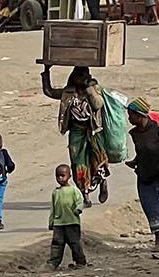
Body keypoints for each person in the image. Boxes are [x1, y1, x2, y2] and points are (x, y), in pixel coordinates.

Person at [44, 64, 110, 205]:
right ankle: (84, 193)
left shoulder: (93, 90)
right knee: (78, 162)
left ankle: (103, 182)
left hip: (93, 130)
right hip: (76, 130)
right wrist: (46, 71)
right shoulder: (68, 92)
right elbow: (49, 92)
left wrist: (89, 89)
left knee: (97, 160)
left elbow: (98, 105)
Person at [126, 97, 159, 251]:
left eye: (131, 115)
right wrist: (134, 161)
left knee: (157, 205)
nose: (129, 118)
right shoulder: (135, 133)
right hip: (143, 173)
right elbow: (141, 152)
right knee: (148, 206)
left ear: (140, 115)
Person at [47, 164, 87, 269]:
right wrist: (51, 221)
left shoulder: (74, 190)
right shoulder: (56, 192)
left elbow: (80, 201)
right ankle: (53, 263)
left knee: (75, 243)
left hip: (72, 222)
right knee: (56, 244)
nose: (60, 178)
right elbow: (53, 208)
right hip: (59, 223)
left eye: (62, 175)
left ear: (69, 176)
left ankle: (80, 262)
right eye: (58, 176)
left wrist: (78, 209)